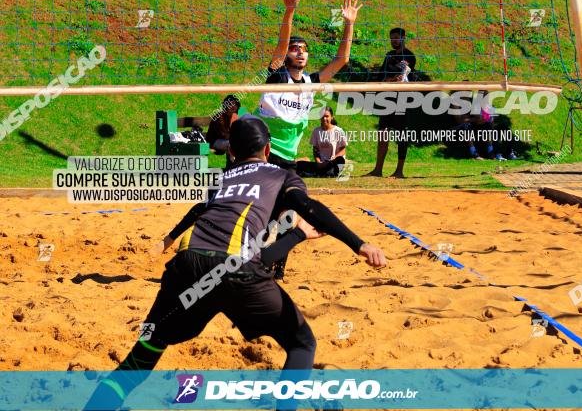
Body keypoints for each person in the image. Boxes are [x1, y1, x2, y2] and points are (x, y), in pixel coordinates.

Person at [85, 119, 386, 411]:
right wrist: (358, 244)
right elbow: (308, 208)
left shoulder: (221, 180)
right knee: (301, 343)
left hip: (186, 266)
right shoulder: (280, 175)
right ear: (268, 149)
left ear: (231, 152)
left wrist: (167, 240)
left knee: (143, 355)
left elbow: (210, 222)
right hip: (234, 270)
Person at [257, 0, 362, 177]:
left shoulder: (310, 82)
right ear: (287, 54)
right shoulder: (278, 76)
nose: (300, 53)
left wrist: (349, 23)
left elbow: (342, 60)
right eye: (294, 49)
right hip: (262, 149)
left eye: (304, 50)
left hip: (287, 155)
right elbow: (280, 50)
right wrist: (290, 10)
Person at [366, 62, 411, 179]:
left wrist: (404, 73)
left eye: (389, 79)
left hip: (401, 100)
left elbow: (408, 68)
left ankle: (399, 171)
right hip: (388, 100)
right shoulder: (389, 57)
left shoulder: (408, 58)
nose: (386, 80)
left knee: (401, 135)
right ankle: (378, 170)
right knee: (382, 132)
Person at [205, 95, 241, 166]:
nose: (233, 106)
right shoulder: (219, 117)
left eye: (235, 104)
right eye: (230, 104)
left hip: (229, 141)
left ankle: (238, 165)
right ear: (226, 105)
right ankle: (231, 165)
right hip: (215, 141)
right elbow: (224, 135)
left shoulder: (235, 116)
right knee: (231, 144)